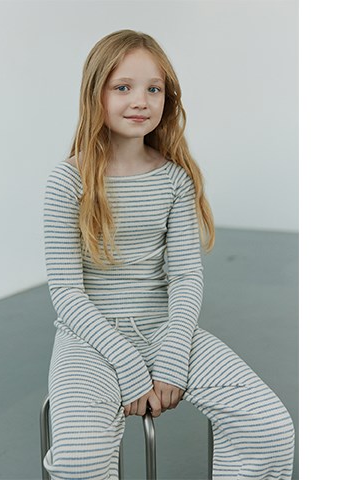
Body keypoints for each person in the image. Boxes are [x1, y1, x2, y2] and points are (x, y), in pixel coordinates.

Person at [42, 29, 295, 480]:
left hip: (166, 330)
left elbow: (185, 277)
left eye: (153, 89)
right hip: (90, 341)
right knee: (80, 462)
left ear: (167, 98)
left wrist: (174, 356)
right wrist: (127, 364)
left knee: (269, 428)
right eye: (123, 87)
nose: (140, 100)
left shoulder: (175, 180)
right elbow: (66, 292)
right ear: (95, 93)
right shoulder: (67, 182)